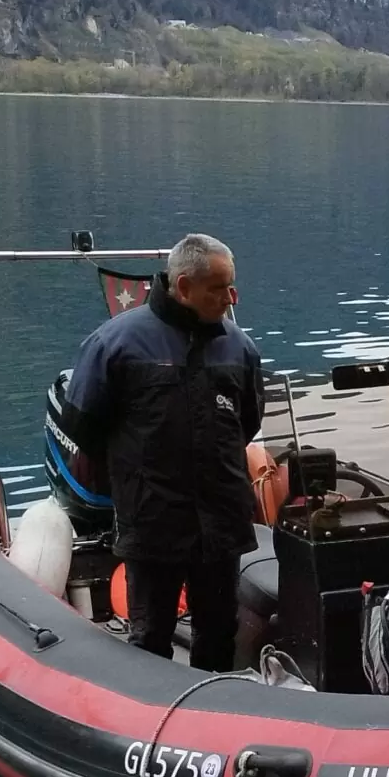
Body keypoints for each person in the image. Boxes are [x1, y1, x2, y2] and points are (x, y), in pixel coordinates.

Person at [63, 232, 264, 667]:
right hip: (153, 521)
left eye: (231, 286)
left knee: (219, 632)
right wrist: (136, 474)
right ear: (185, 287)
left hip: (221, 521)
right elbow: (82, 424)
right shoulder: (114, 345)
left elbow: (247, 423)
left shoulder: (240, 348)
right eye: (218, 288)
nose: (231, 297)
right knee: (150, 636)